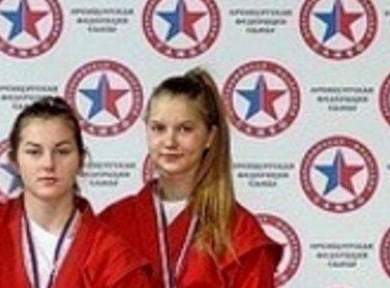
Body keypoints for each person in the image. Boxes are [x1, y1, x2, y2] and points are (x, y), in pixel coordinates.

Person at [99, 68, 281, 288]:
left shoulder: (240, 232)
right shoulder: (113, 222)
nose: (169, 141)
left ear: (209, 136)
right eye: (158, 128)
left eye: (185, 129)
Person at [0, 96, 153, 287]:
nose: (48, 164)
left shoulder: (113, 257)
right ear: (14, 161)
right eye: (34, 152)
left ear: (81, 160)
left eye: (62, 151)